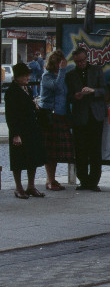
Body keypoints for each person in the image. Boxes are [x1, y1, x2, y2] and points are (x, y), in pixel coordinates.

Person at [66, 47, 108, 191]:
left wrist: (93, 91)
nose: (80, 63)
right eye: (77, 61)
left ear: (87, 58)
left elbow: (104, 90)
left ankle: (94, 181)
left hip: (95, 115)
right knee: (81, 150)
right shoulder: (70, 75)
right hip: (80, 116)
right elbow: (68, 96)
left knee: (95, 150)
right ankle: (83, 180)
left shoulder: (96, 70)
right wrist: (74, 97)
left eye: (82, 60)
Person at [5, 63, 46, 199]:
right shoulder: (12, 91)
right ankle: (18, 187)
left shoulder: (27, 88)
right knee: (18, 159)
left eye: (28, 74)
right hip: (19, 130)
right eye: (25, 75)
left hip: (31, 128)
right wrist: (16, 134)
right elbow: (11, 115)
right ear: (17, 77)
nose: (28, 77)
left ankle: (31, 186)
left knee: (32, 158)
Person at [38, 49, 75, 191]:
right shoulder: (47, 76)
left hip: (61, 115)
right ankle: (50, 180)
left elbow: (65, 94)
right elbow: (57, 86)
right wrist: (62, 71)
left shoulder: (60, 75)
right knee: (50, 150)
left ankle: (52, 179)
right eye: (58, 62)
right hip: (50, 115)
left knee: (57, 151)